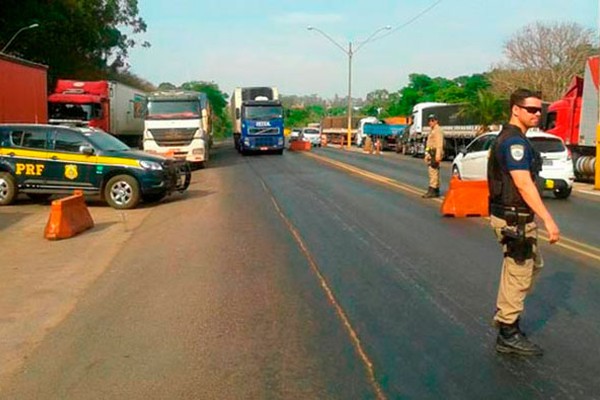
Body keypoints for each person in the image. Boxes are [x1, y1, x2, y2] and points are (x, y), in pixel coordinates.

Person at [488, 88, 560, 356]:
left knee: (526, 268)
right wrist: (548, 219)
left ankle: (507, 316)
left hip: (513, 217)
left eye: (539, 109)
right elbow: (522, 183)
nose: (537, 114)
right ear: (515, 109)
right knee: (519, 272)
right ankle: (508, 332)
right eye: (531, 109)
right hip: (514, 219)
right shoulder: (513, 143)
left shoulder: (514, 138)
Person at [422, 114, 444, 198]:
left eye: (432, 120)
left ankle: (432, 189)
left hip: (435, 153)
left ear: (436, 121)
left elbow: (439, 144)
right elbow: (429, 144)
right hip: (431, 152)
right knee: (433, 171)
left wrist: (438, 155)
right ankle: (435, 189)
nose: (430, 122)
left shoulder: (437, 130)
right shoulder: (432, 130)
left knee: (433, 171)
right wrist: (426, 153)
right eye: (429, 120)